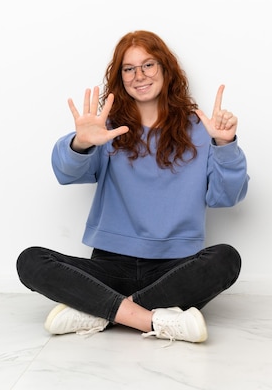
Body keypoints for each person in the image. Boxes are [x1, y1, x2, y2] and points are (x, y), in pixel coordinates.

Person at [16, 30, 249, 343]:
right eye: (129, 68)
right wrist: (80, 143)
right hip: (110, 264)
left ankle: (101, 310)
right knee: (30, 260)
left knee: (226, 258)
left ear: (167, 71)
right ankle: (151, 318)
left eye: (149, 65)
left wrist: (225, 144)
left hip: (174, 268)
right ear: (120, 78)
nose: (139, 75)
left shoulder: (200, 128)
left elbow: (227, 196)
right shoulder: (106, 128)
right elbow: (66, 173)